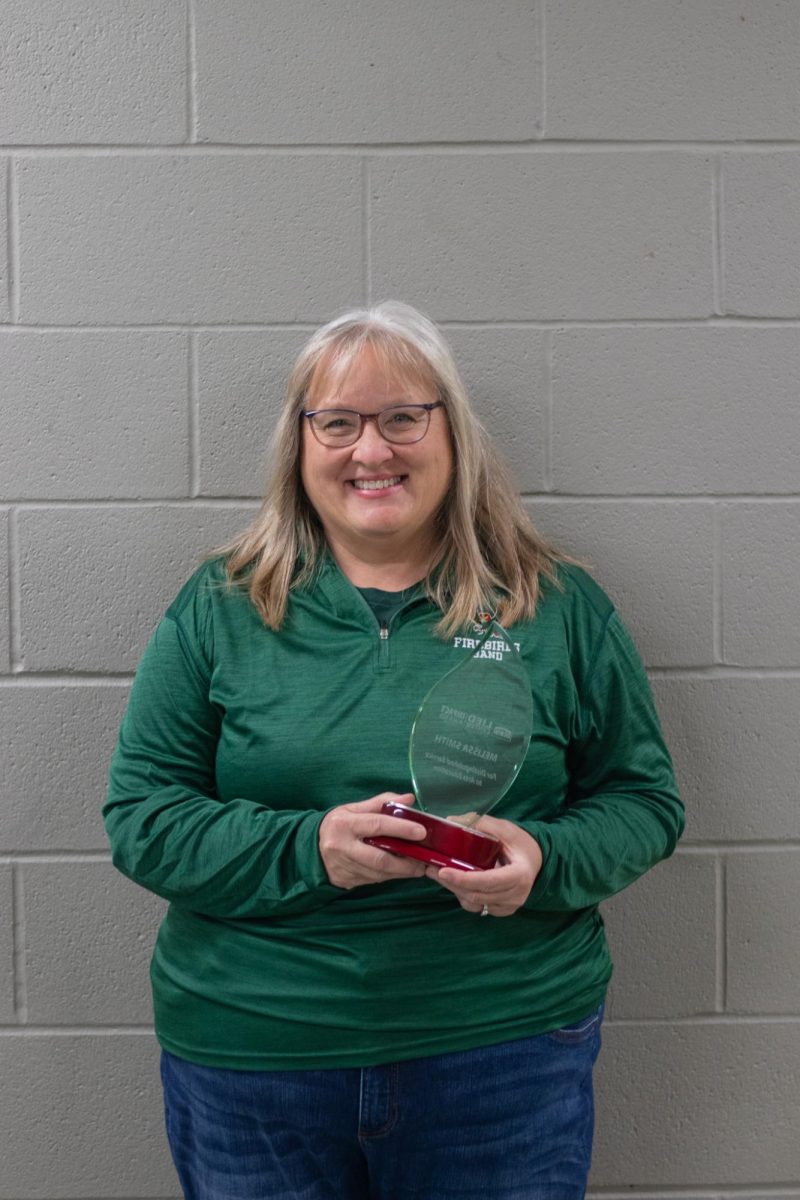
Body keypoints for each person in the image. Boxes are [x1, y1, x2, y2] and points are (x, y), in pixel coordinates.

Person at [104, 301, 684, 1200]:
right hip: (256, 1055)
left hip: (501, 1054)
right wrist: (309, 851)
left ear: (453, 435)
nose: (370, 451)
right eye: (336, 422)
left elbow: (644, 801)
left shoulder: (557, 606)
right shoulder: (219, 607)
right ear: (300, 445)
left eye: (403, 417)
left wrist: (545, 857)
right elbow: (143, 821)